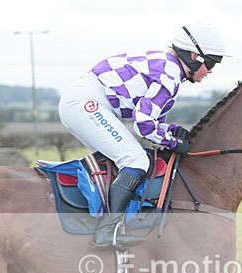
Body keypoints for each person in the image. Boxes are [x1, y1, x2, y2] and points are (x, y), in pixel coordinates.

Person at [59, 22, 229, 249]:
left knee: (123, 160)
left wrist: (172, 131)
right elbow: (143, 125)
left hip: (84, 101)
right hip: (85, 103)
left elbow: (154, 120)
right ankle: (107, 232)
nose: (210, 70)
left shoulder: (170, 69)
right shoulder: (169, 73)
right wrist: (171, 142)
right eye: (210, 63)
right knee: (136, 160)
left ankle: (103, 221)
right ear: (193, 56)